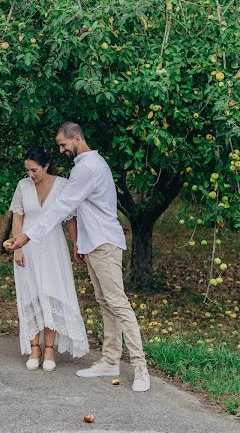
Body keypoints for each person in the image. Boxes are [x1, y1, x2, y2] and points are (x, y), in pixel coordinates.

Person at [9, 123, 150, 392]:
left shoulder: (88, 167)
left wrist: (26, 237)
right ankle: (110, 360)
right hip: (94, 242)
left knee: (118, 303)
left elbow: (63, 207)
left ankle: (140, 366)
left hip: (105, 242)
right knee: (105, 302)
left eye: (64, 144)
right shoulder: (85, 165)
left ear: (76, 138)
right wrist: (80, 243)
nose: (61, 150)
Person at [9, 145, 89, 372]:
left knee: (52, 293)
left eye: (34, 170)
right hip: (28, 248)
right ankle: (34, 348)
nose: (30, 175)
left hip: (54, 249)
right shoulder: (23, 186)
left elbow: (70, 219)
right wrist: (17, 248)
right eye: (27, 171)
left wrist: (76, 244)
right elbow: (17, 218)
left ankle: (50, 350)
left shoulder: (63, 186)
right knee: (30, 295)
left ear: (46, 166)